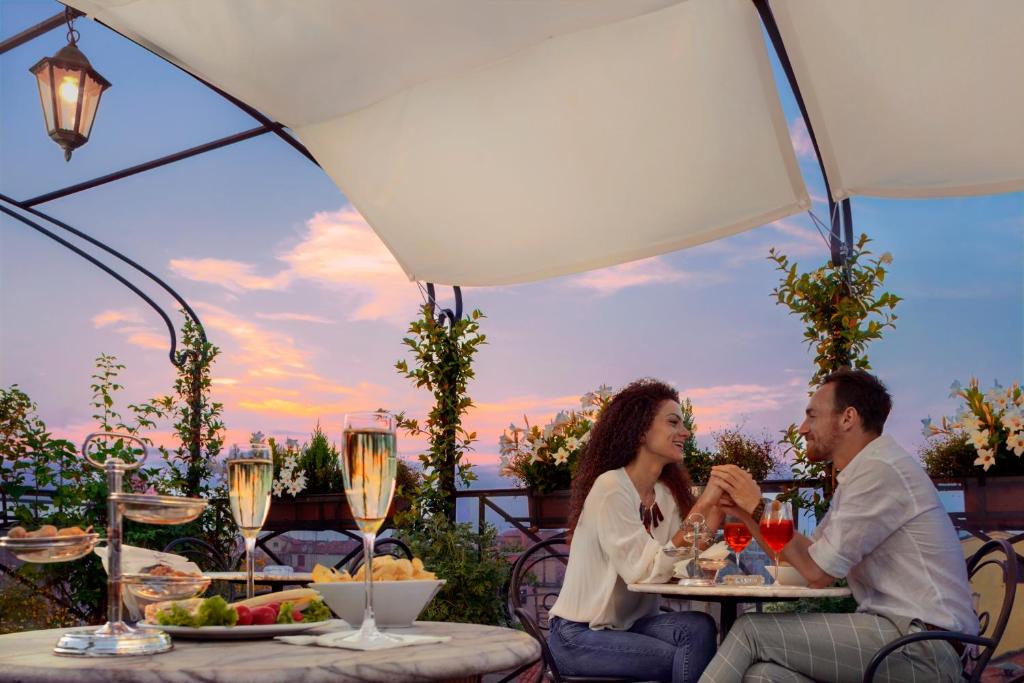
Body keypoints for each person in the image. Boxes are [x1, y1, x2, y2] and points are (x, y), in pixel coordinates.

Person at [700, 369, 977, 683]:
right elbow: (804, 558)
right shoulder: (861, 474)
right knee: (764, 677)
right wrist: (747, 515)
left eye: (812, 416)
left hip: (923, 647)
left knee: (750, 630)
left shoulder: (880, 471)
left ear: (848, 418)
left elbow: (817, 573)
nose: (803, 428)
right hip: (899, 636)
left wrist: (758, 505)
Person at [547, 379, 720, 683]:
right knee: (686, 658)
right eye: (673, 422)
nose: (685, 432)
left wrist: (720, 505)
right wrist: (703, 501)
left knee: (700, 626)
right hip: (579, 634)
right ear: (641, 430)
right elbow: (643, 571)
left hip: (632, 624)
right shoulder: (611, 488)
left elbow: (682, 557)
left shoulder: (664, 494)